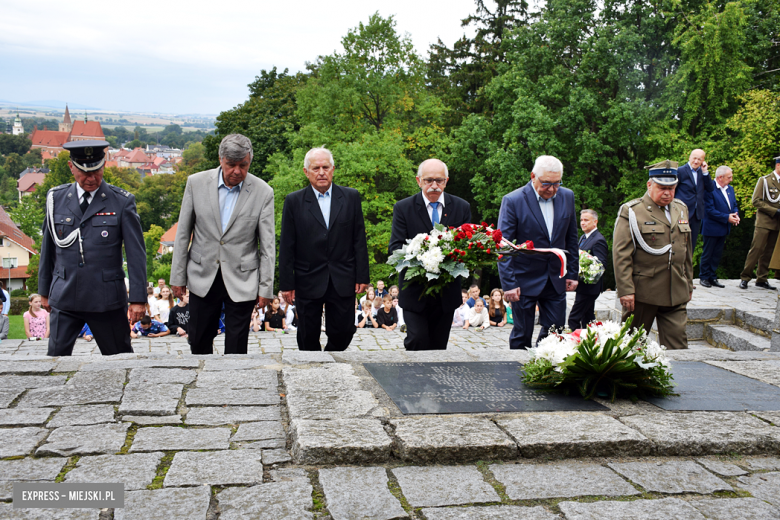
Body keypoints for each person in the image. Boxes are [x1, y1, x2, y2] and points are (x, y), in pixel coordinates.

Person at [38, 140, 146, 356]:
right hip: (65, 296)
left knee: (119, 361)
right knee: (55, 361)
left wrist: (137, 298)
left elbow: (136, 254)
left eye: (96, 171)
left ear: (104, 166)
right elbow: (48, 249)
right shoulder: (55, 199)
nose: (91, 178)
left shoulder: (121, 202)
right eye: (84, 172)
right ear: (71, 167)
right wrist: (44, 291)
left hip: (106, 299)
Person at [170, 134, 275, 354]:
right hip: (202, 274)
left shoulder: (263, 192)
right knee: (198, 340)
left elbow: (267, 246)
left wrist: (266, 287)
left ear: (250, 161)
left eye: (243, 165)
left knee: (237, 346)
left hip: (242, 277)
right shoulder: (195, 183)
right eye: (231, 165)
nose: (237, 171)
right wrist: (177, 277)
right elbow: (182, 234)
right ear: (220, 159)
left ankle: (234, 386)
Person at [279, 147, 370, 351]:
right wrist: (286, 283)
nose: (321, 172)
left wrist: (362, 276)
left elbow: (358, 239)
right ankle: (312, 372)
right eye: (316, 168)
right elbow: (287, 244)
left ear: (333, 169)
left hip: (342, 276)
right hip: (307, 277)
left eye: (325, 167)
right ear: (306, 171)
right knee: (307, 333)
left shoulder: (350, 197)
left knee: (344, 331)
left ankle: (331, 358)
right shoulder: (294, 201)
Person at [389, 159, 471, 350]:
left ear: (446, 181)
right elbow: (395, 247)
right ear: (419, 181)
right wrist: (424, 255)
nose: (434, 185)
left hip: (446, 293)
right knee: (417, 340)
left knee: (438, 347)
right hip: (415, 291)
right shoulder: (403, 208)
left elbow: (467, 247)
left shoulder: (461, 207)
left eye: (439, 180)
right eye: (428, 180)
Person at [498, 155, 579, 349]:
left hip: (556, 277)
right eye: (546, 184)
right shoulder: (513, 200)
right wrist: (509, 283)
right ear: (533, 176)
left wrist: (573, 273)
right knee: (522, 333)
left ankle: (544, 366)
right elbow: (503, 245)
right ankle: (516, 374)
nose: (551, 189)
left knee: (556, 331)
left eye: (556, 184)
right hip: (523, 279)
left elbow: (571, 238)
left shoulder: (567, 196)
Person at [613, 160, 693, 350]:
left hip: (676, 291)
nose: (667, 193)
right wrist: (625, 289)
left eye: (672, 188)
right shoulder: (632, 211)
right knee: (630, 347)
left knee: (678, 349)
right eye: (662, 187)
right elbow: (621, 253)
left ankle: (678, 380)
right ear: (649, 185)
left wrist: (688, 283)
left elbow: (685, 250)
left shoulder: (680, 208)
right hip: (643, 293)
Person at [740, 157, 780, 290]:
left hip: (777, 223)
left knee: (769, 252)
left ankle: (762, 278)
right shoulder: (765, 180)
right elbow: (756, 201)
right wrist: (775, 211)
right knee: (756, 250)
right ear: (778, 166)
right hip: (764, 221)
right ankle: (745, 277)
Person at [568, 209, 609, 330]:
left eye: (586, 220)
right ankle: (590, 341)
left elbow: (601, 265)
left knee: (574, 318)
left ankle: (573, 340)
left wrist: (583, 269)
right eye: (581, 220)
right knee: (588, 317)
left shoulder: (598, 240)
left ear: (595, 222)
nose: (583, 223)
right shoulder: (583, 237)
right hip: (583, 286)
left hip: (590, 287)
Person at [700, 166, 740, 288]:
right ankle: (704, 277)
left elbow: (734, 205)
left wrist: (735, 215)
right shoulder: (710, 188)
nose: (731, 179)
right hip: (712, 227)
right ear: (720, 177)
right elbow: (709, 210)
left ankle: (712, 276)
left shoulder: (730, 189)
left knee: (717, 254)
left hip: (724, 227)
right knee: (708, 253)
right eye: (729, 177)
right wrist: (727, 217)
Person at [676, 149, 715, 251]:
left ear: (703, 161)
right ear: (689, 158)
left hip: (697, 214)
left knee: (691, 245)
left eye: (699, 159)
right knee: (680, 242)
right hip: (682, 212)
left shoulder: (702, 173)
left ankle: (688, 266)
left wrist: (705, 172)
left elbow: (710, 189)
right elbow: (672, 190)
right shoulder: (680, 171)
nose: (696, 161)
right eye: (694, 158)